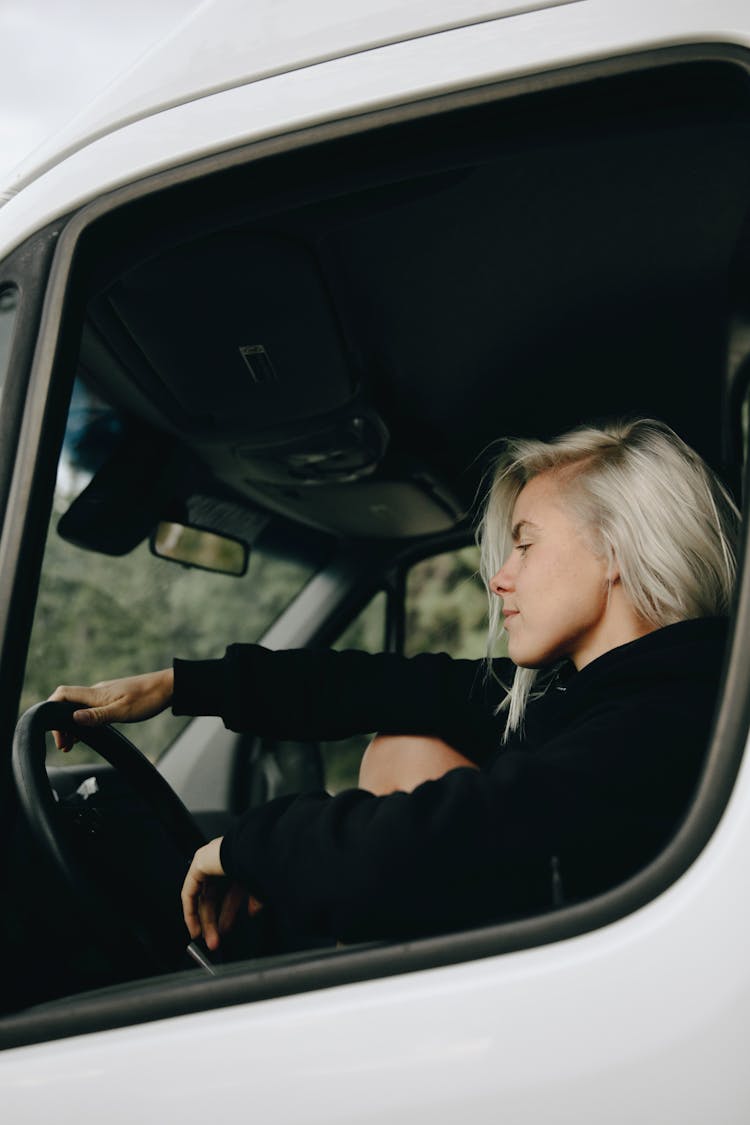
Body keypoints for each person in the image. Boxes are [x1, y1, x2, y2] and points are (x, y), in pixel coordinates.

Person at [49, 418, 739, 951]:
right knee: (405, 735)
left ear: (614, 552)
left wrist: (245, 847)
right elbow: (389, 684)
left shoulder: (665, 717)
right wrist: (181, 686)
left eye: (524, 543)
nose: (501, 577)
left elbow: (449, 837)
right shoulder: (592, 692)